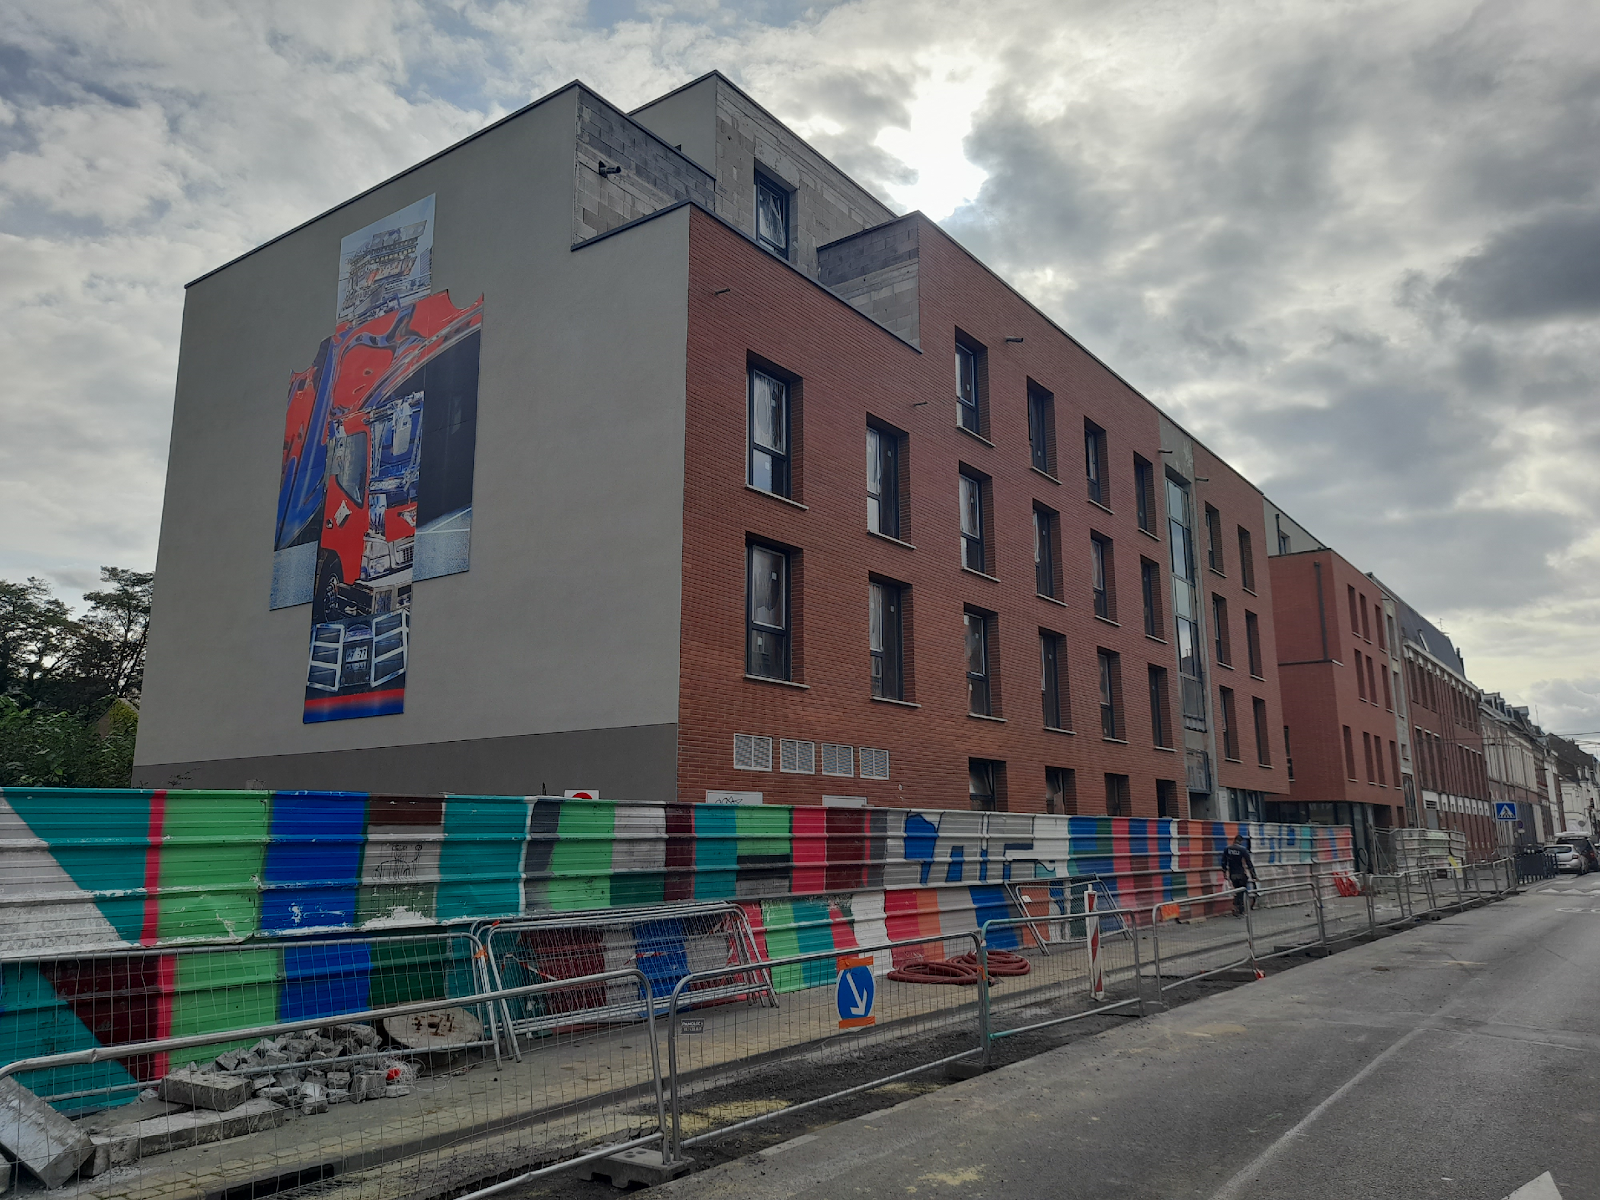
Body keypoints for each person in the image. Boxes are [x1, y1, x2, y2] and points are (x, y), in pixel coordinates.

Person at [1222, 833, 1259, 915]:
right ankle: (1239, 909)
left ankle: (1238, 907)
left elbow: (1224, 862)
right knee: (1241, 891)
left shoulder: (1227, 849)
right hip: (1241, 874)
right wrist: (1254, 875)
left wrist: (1224, 873)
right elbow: (1249, 864)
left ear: (1234, 840)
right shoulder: (1243, 850)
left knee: (1237, 890)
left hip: (1233, 874)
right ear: (1241, 841)